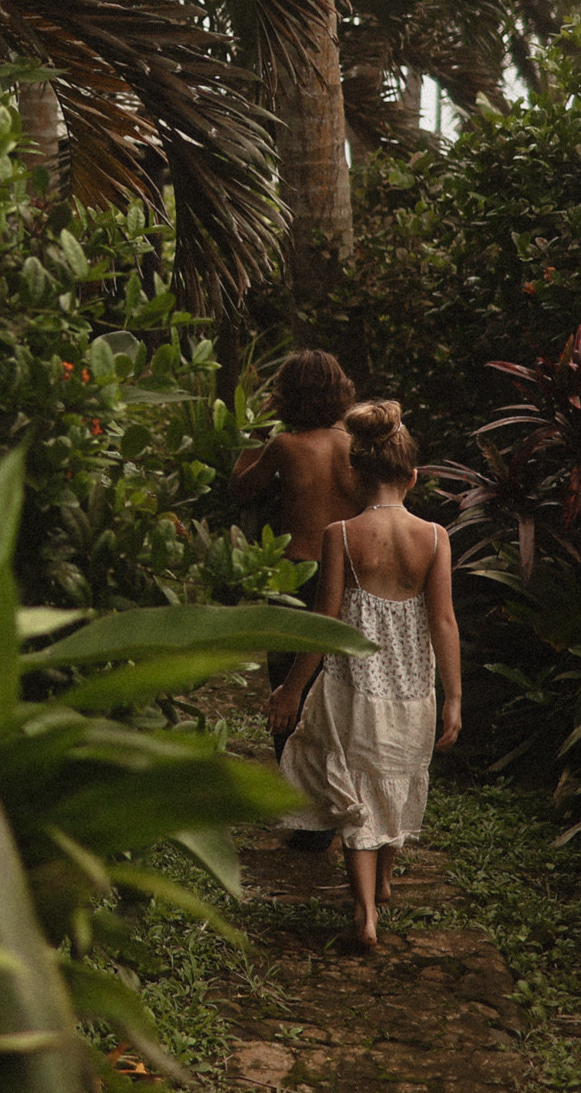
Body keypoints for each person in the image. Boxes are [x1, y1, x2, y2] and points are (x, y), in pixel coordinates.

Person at [265, 400, 462, 951]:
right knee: (394, 777)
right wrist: (454, 696)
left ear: (355, 474)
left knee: (355, 785)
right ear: (413, 476)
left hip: (355, 682)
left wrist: (291, 688)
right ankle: (389, 880)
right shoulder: (436, 536)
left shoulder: (341, 535)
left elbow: (324, 623)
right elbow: (443, 620)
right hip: (411, 685)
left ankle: (364, 911)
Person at [229, 350, 364, 853]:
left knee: (288, 693)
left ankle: (309, 814)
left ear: (288, 395)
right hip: (349, 577)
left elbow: (240, 489)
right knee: (337, 692)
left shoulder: (284, 445)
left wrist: (256, 427)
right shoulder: (356, 444)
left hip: (297, 576)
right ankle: (334, 804)